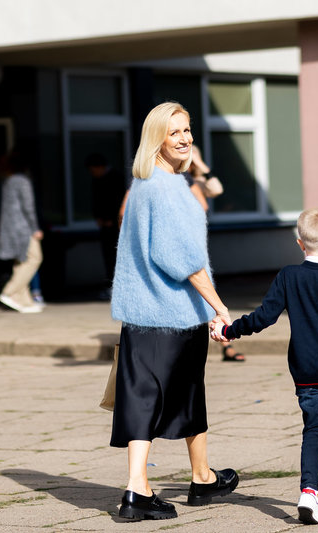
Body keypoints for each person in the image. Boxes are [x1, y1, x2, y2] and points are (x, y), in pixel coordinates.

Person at [110, 102, 239, 521]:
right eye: (174, 132)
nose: (184, 138)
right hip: (173, 316)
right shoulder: (165, 188)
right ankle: (182, 481)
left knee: (142, 400)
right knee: (184, 395)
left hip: (141, 315)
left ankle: (151, 486)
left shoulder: (144, 183)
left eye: (188, 130)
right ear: (157, 139)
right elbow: (180, 259)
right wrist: (219, 307)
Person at [210, 207, 318, 525]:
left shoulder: (289, 277)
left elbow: (263, 317)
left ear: (299, 243)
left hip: (305, 372)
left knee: (312, 430)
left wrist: (229, 331)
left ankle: (309, 492)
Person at [184, 144, 245, 362]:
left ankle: (226, 344)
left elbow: (217, 189)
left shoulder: (198, 181)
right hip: (186, 243)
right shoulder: (173, 179)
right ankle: (224, 345)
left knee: (209, 296)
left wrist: (200, 165)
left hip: (198, 242)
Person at [0, 152, 44, 313]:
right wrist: (35, 228)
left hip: (9, 229)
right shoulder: (22, 181)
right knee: (35, 258)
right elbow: (28, 207)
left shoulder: (7, 181)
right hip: (23, 229)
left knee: (21, 262)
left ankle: (25, 301)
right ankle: (10, 292)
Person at [85, 153, 126, 299]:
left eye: (93, 169)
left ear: (100, 167)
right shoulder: (96, 179)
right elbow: (96, 200)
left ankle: (119, 288)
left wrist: (112, 219)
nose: (93, 173)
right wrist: (98, 217)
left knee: (116, 256)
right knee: (108, 257)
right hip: (104, 225)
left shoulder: (116, 178)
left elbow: (119, 202)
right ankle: (110, 286)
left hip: (116, 226)